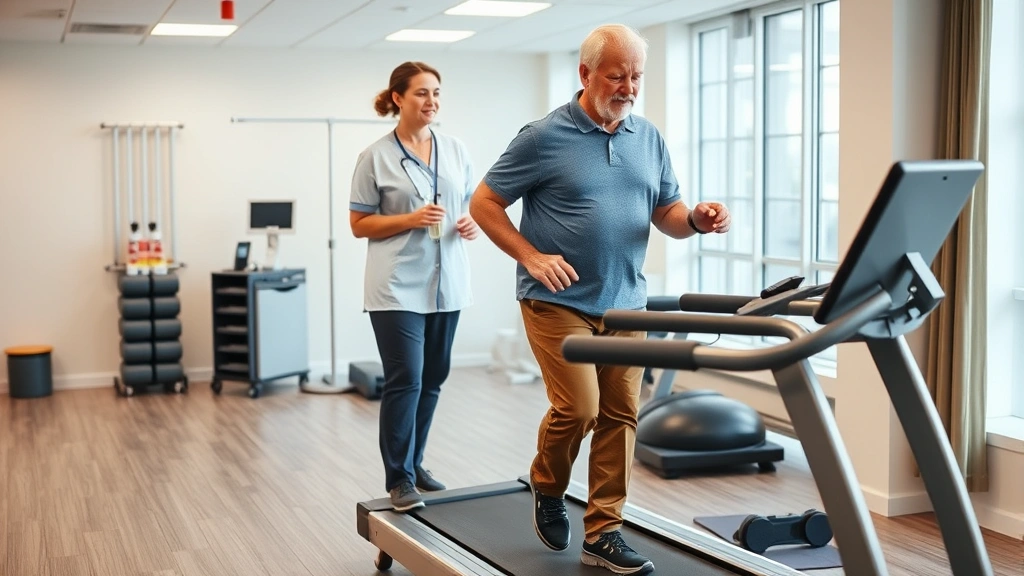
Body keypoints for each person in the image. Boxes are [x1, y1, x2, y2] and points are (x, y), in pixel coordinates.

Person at [469, 25, 731, 575]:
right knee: (580, 408)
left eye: (636, 75)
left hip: (626, 302)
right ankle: (548, 480)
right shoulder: (542, 137)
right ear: (586, 74)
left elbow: (667, 213)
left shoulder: (648, 137)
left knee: (621, 415)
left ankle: (604, 532)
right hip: (556, 300)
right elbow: (486, 202)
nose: (628, 86)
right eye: (617, 75)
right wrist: (531, 256)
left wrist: (696, 222)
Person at [350, 61, 481, 512]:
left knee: (434, 379)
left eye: (437, 93)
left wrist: (469, 224)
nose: (432, 102)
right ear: (398, 98)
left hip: (448, 284)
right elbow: (358, 224)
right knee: (405, 378)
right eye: (422, 93)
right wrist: (409, 219)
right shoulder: (375, 157)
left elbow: (467, 205)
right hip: (397, 286)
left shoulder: (456, 149)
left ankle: (417, 463)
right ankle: (399, 478)